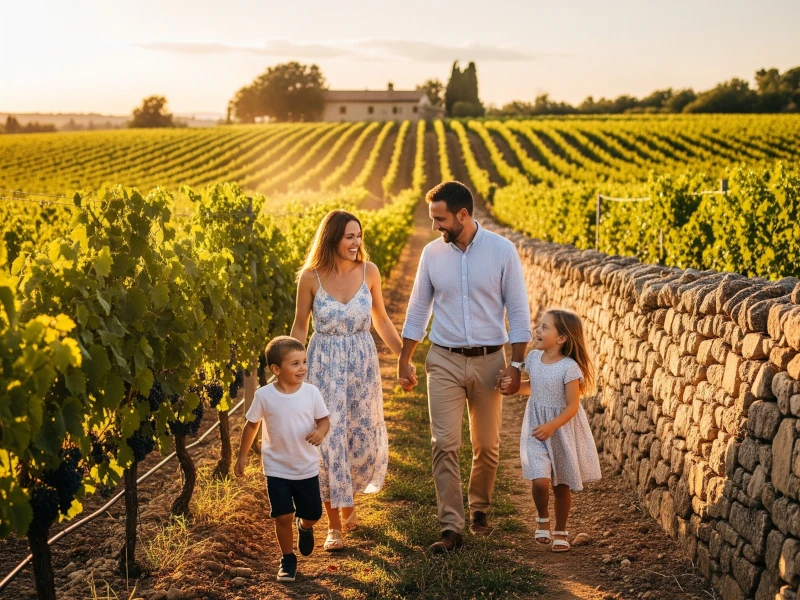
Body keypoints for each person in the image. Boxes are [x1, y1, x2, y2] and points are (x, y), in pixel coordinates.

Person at [398, 181, 532, 553]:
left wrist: (516, 364)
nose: (434, 227)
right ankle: (451, 528)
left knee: (487, 446)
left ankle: (480, 509)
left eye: (440, 219)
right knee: (444, 443)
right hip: (443, 358)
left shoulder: (503, 252)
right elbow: (417, 309)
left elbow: (519, 313)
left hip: (491, 361)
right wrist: (405, 358)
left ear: (463, 214)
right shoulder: (431, 254)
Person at [291, 210, 404, 551]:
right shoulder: (310, 277)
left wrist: (404, 357)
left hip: (361, 363)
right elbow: (299, 325)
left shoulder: (369, 272)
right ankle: (334, 525)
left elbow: (381, 319)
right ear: (332, 239)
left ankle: (348, 498)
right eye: (349, 237)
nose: (356, 243)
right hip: (323, 362)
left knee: (359, 434)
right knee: (328, 439)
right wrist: (292, 367)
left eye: (359, 236)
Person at [499, 309, 601, 553]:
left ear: (562, 338)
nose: (538, 330)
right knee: (541, 480)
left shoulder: (569, 368)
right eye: (539, 325)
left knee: (561, 485)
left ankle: (561, 530)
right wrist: (512, 387)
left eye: (545, 327)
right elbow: (533, 388)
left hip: (561, 430)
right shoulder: (534, 358)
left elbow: (572, 406)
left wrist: (552, 425)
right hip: (536, 428)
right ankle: (542, 517)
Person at [235, 336, 330, 582]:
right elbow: (251, 425)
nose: (303, 368)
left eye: (304, 362)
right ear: (276, 370)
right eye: (295, 363)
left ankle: (305, 527)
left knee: (312, 514)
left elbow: (324, 420)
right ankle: (287, 559)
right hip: (276, 467)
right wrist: (242, 456)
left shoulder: (311, 393)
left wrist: (320, 432)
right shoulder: (264, 396)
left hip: (306, 466)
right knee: (282, 515)